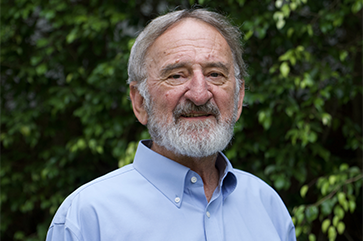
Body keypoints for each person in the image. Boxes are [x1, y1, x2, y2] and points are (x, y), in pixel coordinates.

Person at [46, 9, 296, 241]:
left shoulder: (267, 205)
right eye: (177, 75)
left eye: (215, 74)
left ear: (238, 99)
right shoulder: (87, 217)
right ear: (140, 102)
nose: (199, 95)